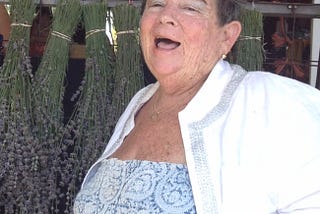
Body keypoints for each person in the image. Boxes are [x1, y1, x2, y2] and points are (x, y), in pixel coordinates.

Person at [74, 0, 320, 213]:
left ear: (227, 37)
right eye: (156, 4)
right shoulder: (140, 102)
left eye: (190, 8)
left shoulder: (270, 101)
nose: (165, 17)